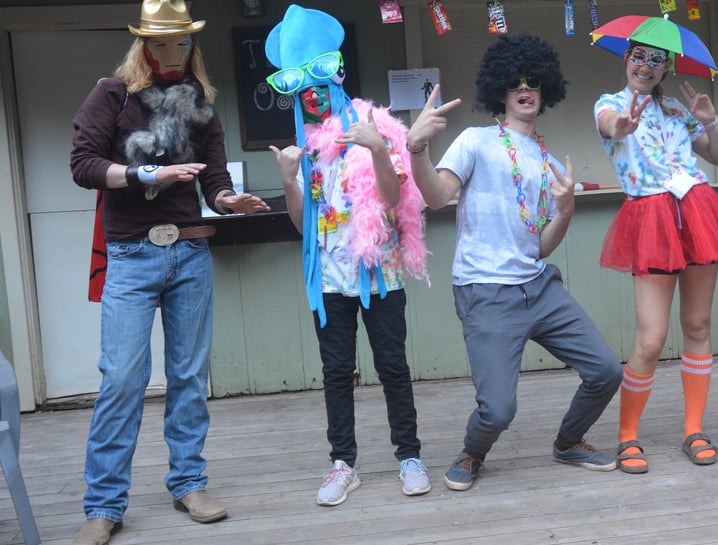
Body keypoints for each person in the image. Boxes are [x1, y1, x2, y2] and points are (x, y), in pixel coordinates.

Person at [68, 0, 270, 543]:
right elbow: (83, 165)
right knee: (123, 380)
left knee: (187, 377)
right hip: (132, 257)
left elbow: (214, 176)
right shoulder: (111, 94)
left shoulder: (201, 101)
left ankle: (189, 483)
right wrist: (149, 172)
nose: (174, 52)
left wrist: (228, 200)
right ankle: (105, 504)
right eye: (162, 43)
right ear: (143, 46)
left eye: (182, 43)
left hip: (189, 255)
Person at [406, 34, 623, 491]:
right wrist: (417, 150)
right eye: (515, 82)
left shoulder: (545, 161)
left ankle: (568, 441)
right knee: (499, 409)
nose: (525, 88)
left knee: (606, 370)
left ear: (545, 91)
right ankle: (473, 452)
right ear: (500, 90)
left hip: (539, 286)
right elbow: (437, 196)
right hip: (486, 291)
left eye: (534, 82)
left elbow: (541, 247)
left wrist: (566, 210)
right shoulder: (476, 140)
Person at [264, 5, 432, 506]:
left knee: (393, 366)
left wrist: (379, 148)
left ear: (335, 76)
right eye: (301, 92)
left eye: (317, 85)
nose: (311, 97)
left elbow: (390, 198)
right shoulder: (304, 148)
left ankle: (409, 455)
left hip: (379, 273)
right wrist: (289, 181)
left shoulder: (373, 123)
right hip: (330, 281)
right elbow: (302, 227)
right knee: (336, 372)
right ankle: (343, 464)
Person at [594, 40, 718, 473]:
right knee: (651, 338)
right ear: (626, 60)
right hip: (650, 217)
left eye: (656, 61)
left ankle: (693, 429)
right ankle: (627, 434)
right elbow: (610, 127)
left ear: (667, 68)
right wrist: (621, 125)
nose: (645, 66)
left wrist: (711, 123)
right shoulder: (608, 104)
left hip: (697, 211)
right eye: (638, 57)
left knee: (697, 324)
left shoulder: (680, 112)